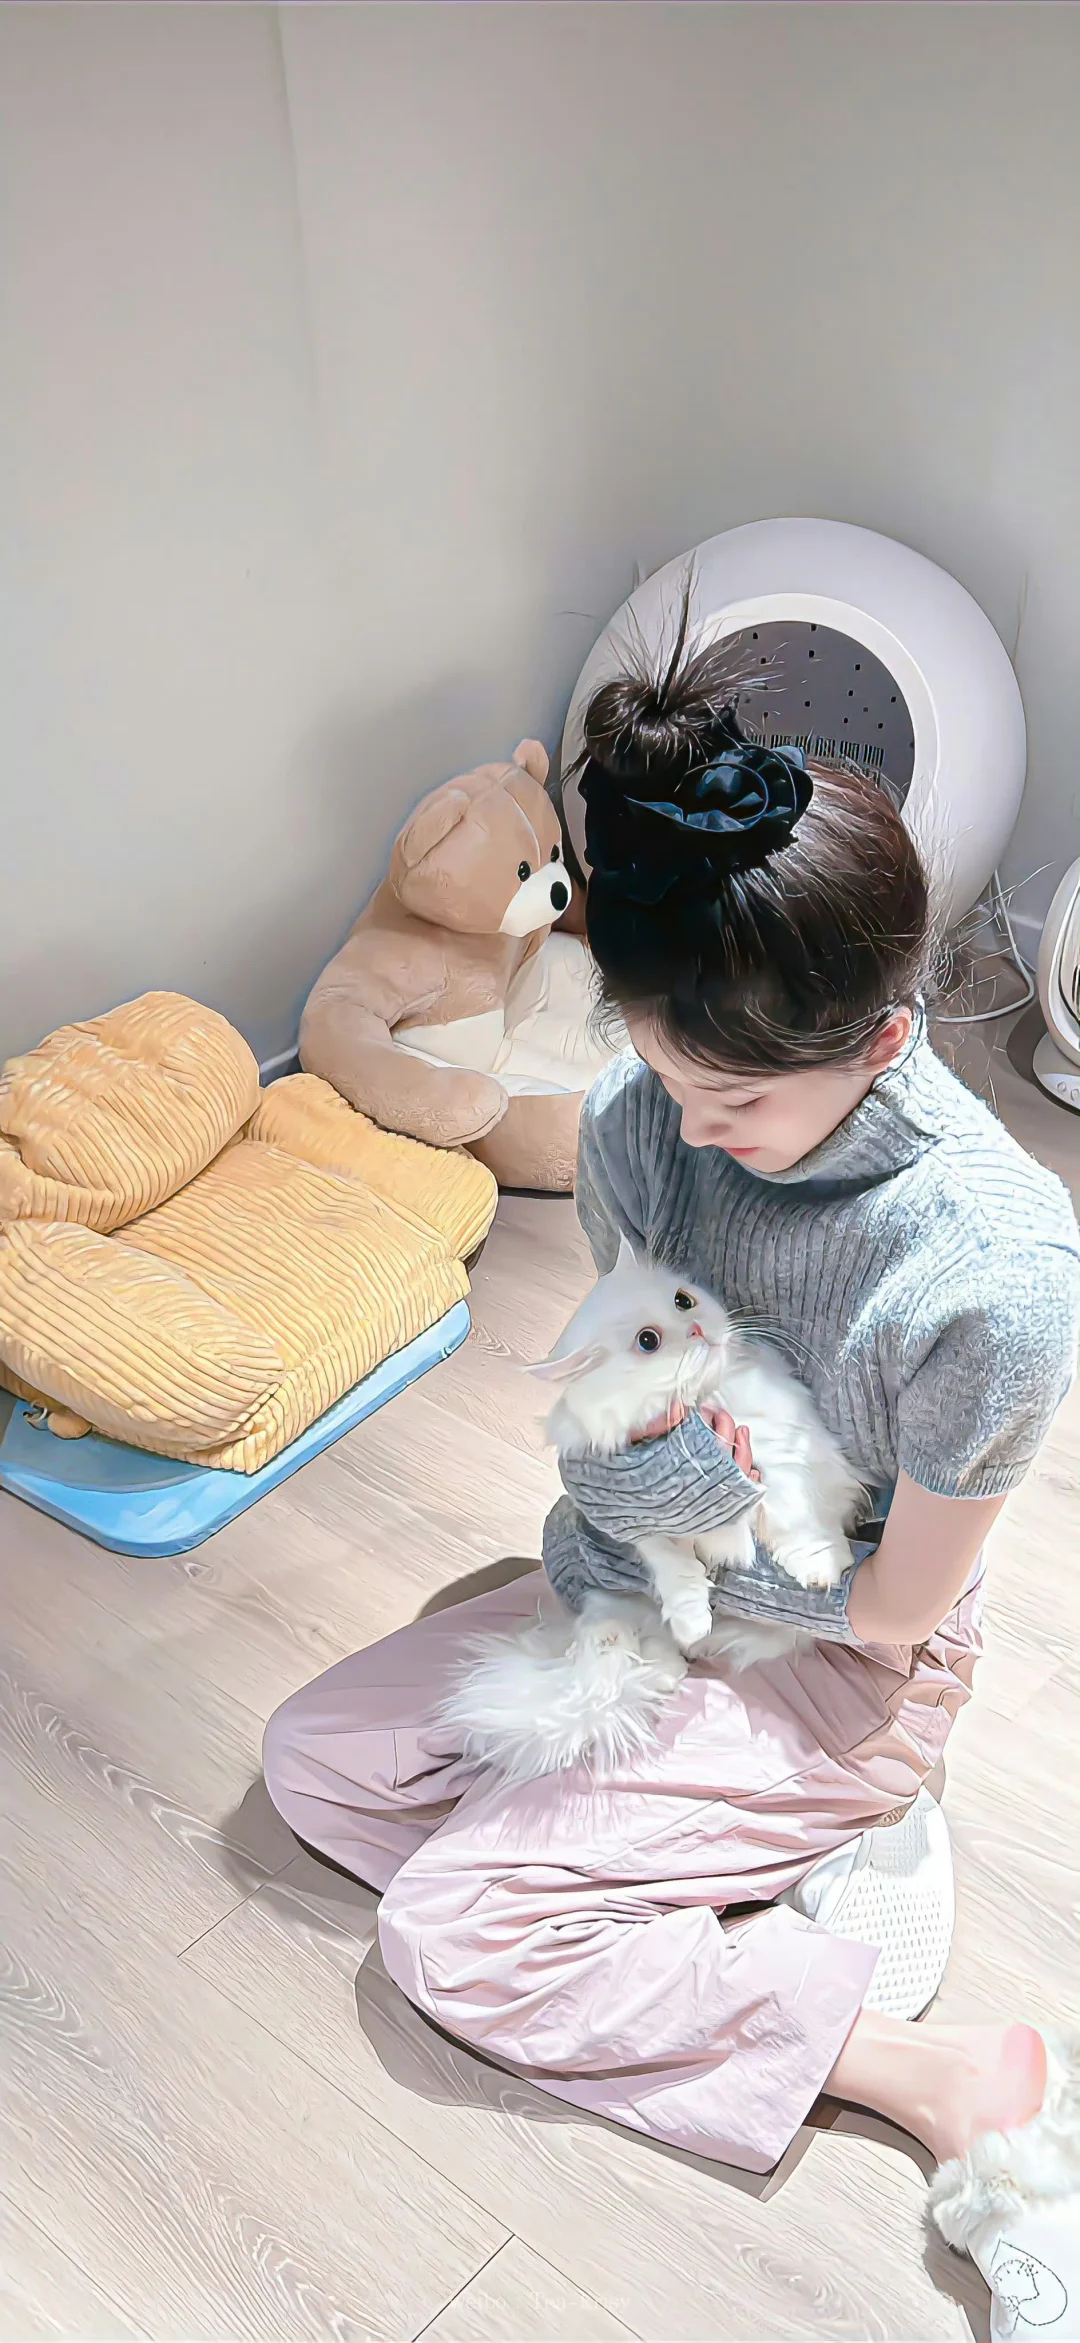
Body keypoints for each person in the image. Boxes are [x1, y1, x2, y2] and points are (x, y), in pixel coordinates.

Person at [264, 606, 1080, 2333]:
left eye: (740, 1106)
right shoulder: (638, 1119)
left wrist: (670, 1489)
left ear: (882, 1038)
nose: (686, 1133)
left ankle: (929, 2067)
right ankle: (646, 1869)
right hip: (636, 1589)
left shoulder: (992, 1270)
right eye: (661, 1073)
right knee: (315, 1763)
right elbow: (615, 1436)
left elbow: (888, 1609)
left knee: (448, 1934)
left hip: (842, 1659)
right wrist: (642, 1490)